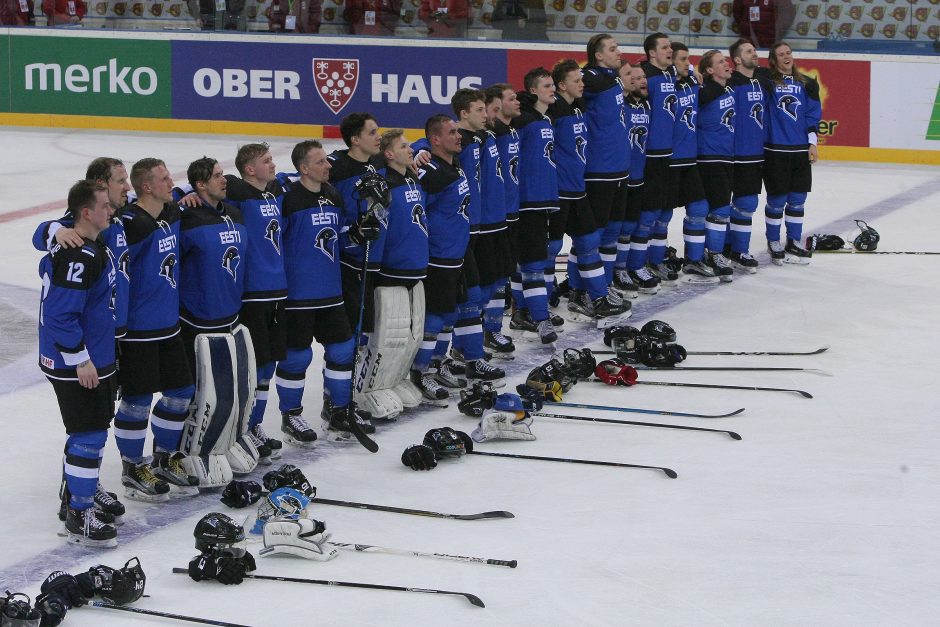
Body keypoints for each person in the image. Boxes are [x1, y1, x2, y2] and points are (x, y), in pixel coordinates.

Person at [276, 140, 375, 443]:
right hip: (298, 295)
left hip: (331, 291)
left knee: (342, 349)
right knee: (296, 357)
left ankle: (338, 411)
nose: (328, 165)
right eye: (320, 162)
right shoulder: (288, 199)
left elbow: (341, 238)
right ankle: (291, 416)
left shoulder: (332, 195)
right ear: (303, 168)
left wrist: (358, 233)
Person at [39, 180, 118, 547]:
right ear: (86, 212)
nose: (111, 210)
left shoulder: (89, 246)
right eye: (104, 205)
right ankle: (79, 515)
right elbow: (59, 316)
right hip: (77, 362)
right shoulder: (78, 256)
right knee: (88, 436)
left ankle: (75, 502)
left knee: (92, 431)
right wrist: (80, 359)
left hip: (94, 355)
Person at [115, 159, 197, 500]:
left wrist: (190, 193)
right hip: (137, 331)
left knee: (182, 391)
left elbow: (184, 193)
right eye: (163, 178)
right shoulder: (130, 224)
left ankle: (164, 457)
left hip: (169, 325)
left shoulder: (172, 211)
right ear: (146, 187)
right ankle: (133, 466)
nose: (170, 182)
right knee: (137, 401)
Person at [223, 143, 294, 449]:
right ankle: (239, 430)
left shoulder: (275, 191)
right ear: (249, 169)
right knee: (254, 367)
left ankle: (255, 426)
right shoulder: (238, 195)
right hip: (252, 294)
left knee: (269, 367)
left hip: (278, 291)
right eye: (267, 161)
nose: (273, 165)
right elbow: (205, 184)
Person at [549, 58, 628, 321]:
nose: (582, 85)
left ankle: (594, 297)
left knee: (589, 241)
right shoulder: (553, 111)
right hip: (556, 192)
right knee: (549, 248)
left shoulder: (578, 107)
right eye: (576, 81)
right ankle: (528, 304)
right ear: (562, 85)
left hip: (577, 188)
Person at [409, 115, 471, 405]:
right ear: (436, 140)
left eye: (458, 131)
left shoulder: (450, 163)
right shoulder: (432, 173)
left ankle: (436, 363)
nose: (459, 136)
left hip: (456, 253)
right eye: (452, 132)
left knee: (449, 315)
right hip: (438, 257)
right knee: (434, 318)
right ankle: (420, 372)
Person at [446, 88, 507, 383]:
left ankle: (464, 348)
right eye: (480, 110)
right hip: (468, 227)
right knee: (469, 295)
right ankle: (466, 354)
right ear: (463, 114)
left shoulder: (483, 137)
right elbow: (427, 145)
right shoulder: (457, 142)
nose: (487, 115)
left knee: (488, 286)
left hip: (489, 221)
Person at [669, 42, 728, 283]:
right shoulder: (665, 86)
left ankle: (693, 260)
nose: (687, 63)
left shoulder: (693, 83)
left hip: (689, 158)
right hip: (666, 159)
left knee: (699, 208)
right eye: (682, 59)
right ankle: (643, 264)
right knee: (654, 217)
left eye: (688, 59)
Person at [581, 34, 633, 300]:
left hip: (620, 167)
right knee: (593, 235)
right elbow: (571, 84)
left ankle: (606, 282)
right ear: (598, 55)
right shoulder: (590, 76)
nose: (619, 52)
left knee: (612, 231)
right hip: (600, 168)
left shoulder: (612, 79)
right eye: (612, 49)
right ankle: (581, 290)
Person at [511, 67, 560, 346]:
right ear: (532, 91)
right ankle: (541, 319)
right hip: (528, 201)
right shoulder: (524, 121)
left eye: (552, 84)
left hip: (542, 200)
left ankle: (522, 312)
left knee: (528, 260)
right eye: (545, 86)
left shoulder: (544, 118)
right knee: (533, 262)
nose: (552, 89)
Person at [328, 113, 386, 333]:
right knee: (351, 331)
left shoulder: (378, 161)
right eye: (372, 133)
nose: (378, 137)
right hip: (349, 261)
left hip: (375, 257)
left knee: (371, 329)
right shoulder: (336, 166)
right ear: (355, 139)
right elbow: (304, 175)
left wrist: (421, 154)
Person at [763, 41, 821, 264]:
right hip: (775, 149)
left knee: (797, 199)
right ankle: (773, 241)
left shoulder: (806, 83)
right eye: (781, 54)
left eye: (788, 52)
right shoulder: (767, 83)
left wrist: (812, 143)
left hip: (799, 150)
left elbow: (812, 115)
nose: (787, 56)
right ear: (774, 59)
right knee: (777, 199)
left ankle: (794, 241)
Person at [630, 32, 675, 293]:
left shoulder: (670, 74)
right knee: (646, 215)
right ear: (651, 53)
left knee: (663, 213)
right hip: (649, 156)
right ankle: (636, 264)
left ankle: (654, 260)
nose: (669, 50)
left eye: (670, 47)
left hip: (668, 154)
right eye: (665, 47)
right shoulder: (646, 76)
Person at [485, 83, 523, 354]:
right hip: (490, 218)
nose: (496, 115)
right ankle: (482, 334)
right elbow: (431, 138)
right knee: (489, 281)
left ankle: (494, 330)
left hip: (510, 213)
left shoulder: (510, 131)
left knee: (501, 277)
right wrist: (421, 149)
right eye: (493, 109)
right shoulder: (483, 136)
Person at [726, 38, 770, 273]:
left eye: (755, 49)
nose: (755, 53)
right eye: (749, 51)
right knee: (721, 205)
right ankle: (722, 249)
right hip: (731, 154)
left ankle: (738, 249)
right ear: (736, 59)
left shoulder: (761, 81)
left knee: (746, 203)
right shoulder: (730, 84)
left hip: (754, 154)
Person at [697, 50, 738, 282]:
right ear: (710, 70)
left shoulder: (728, 89)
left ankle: (708, 252)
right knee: (720, 208)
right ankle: (714, 254)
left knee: (718, 208)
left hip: (725, 156)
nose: (726, 64)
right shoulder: (707, 90)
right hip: (709, 157)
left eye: (726, 60)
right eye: (720, 62)